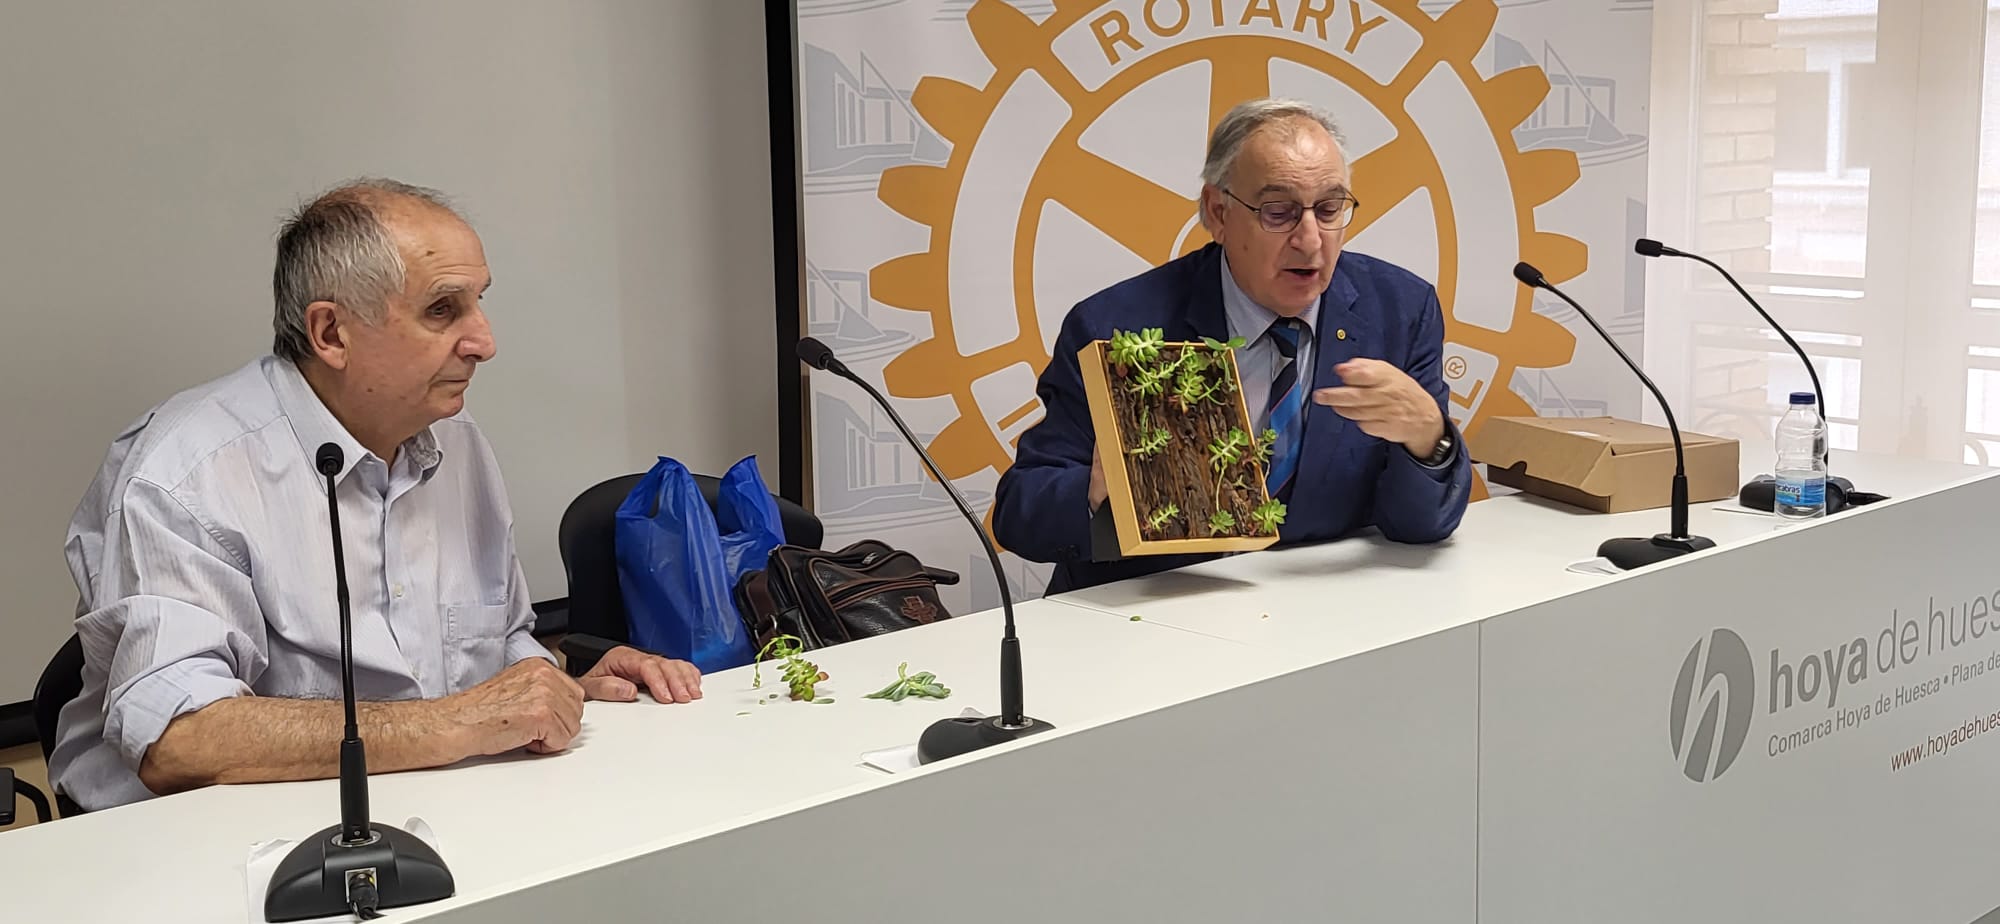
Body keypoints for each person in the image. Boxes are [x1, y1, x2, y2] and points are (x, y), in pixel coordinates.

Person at [50, 179, 703, 811]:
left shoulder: (454, 440)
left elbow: (497, 647)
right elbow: (177, 740)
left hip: (434, 810)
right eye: (443, 310)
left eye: (479, 301)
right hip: (213, 851)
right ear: (332, 334)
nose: (485, 342)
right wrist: (448, 724)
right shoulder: (186, 471)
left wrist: (565, 691)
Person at [994, 99, 1471, 593]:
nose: (1310, 241)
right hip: (1154, 612)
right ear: (1217, 213)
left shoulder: (1399, 310)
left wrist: (1429, 439)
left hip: (1324, 616)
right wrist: (1098, 496)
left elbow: (1421, 528)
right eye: (1278, 212)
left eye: (1329, 209)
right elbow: (1019, 511)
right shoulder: (1116, 325)